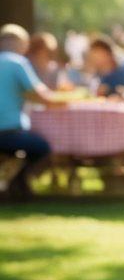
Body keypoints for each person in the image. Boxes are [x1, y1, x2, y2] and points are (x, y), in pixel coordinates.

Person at [0, 24, 71, 200]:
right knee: (43, 148)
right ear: (22, 44)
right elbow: (42, 96)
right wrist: (66, 100)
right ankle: (16, 183)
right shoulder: (17, 63)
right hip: (8, 132)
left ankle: (13, 184)